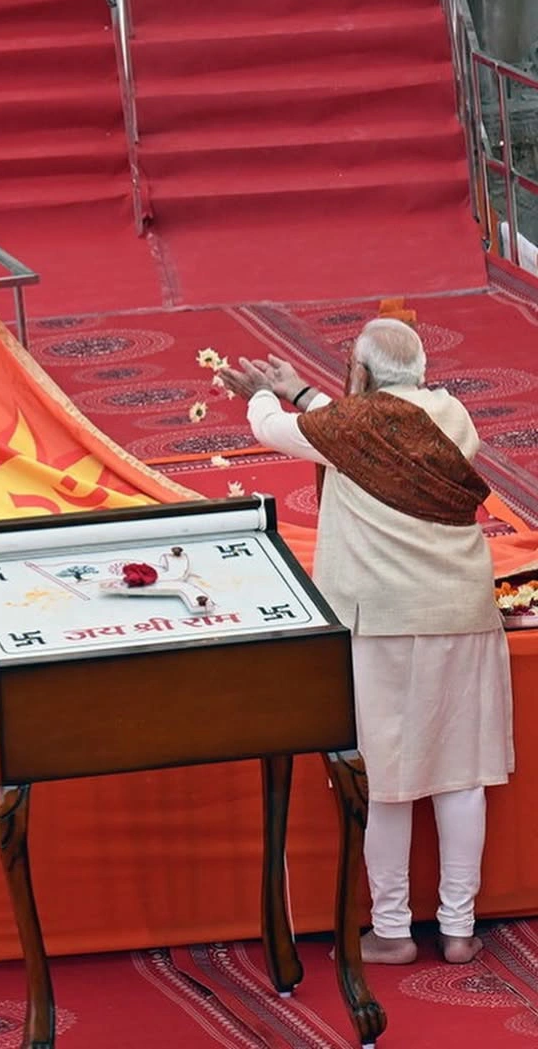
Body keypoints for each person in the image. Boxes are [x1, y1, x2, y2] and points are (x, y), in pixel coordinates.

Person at [219, 318, 513, 967]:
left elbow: (279, 431)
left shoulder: (353, 430)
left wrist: (260, 395)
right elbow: (364, 427)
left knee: (386, 780)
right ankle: (460, 929)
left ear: (363, 372)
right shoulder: (452, 415)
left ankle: (393, 928)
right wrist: (301, 391)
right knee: (461, 776)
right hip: (463, 615)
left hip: (381, 623)